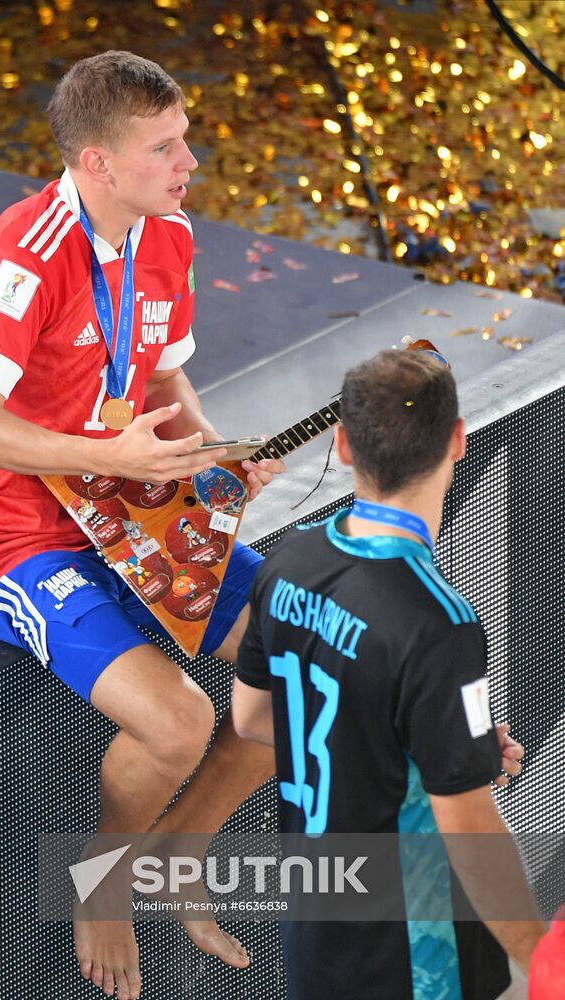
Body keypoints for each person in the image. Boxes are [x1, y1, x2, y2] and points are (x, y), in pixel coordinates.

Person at [0, 50, 285, 999]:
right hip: (19, 542)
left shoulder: (163, 233)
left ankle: (177, 857)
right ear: (97, 163)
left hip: (129, 507)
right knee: (178, 723)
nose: (190, 162)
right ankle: (103, 886)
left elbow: (161, 376)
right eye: (164, 146)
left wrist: (209, 453)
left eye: (184, 138)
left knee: (297, 662)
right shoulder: (23, 255)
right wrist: (115, 460)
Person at [232, 349, 545, 1000]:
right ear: (456, 439)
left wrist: (438, 747)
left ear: (342, 444)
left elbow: (255, 718)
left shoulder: (287, 562)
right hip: (414, 957)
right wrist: (540, 961)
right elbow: (468, 829)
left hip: (315, 936)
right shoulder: (439, 623)